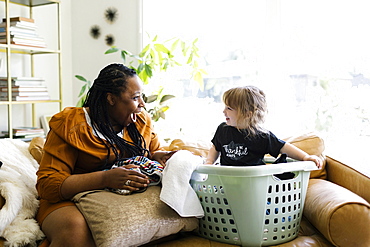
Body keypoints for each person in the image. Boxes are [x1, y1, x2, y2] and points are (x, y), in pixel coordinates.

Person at [36, 63, 175, 247]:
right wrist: (105, 178)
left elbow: (149, 154)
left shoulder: (140, 121)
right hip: (67, 200)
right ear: (110, 99)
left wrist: (156, 156)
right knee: (75, 231)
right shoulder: (71, 124)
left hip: (116, 202)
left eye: (141, 97)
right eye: (135, 97)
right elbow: (48, 185)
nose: (142, 104)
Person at [205, 85, 323, 168]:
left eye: (229, 108)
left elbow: (283, 147)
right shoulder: (222, 129)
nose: (223, 111)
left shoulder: (262, 136)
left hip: (254, 185)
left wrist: (305, 157)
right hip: (226, 181)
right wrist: (209, 161)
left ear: (247, 114)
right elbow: (216, 147)